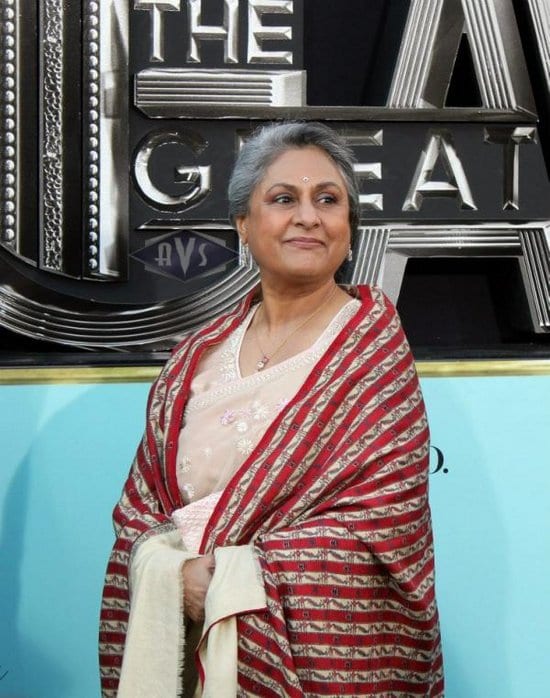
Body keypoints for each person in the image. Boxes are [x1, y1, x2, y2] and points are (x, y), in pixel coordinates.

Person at [99, 121, 444, 697]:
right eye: (283, 199)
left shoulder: (371, 355)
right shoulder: (195, 359)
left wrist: (236, 578)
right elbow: (139, 512)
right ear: (244, 225)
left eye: (328, 200)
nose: (308, 216)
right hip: (189, 648)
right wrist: (172, 575)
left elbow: (383, 530)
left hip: (315, 666)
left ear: (350, 231)